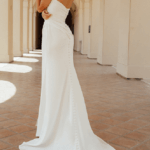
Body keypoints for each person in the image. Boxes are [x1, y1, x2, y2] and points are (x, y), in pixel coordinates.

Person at [19, 0, 116, 149]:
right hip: (62, 35)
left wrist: (43, 11)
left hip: (54, 36)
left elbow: (39, 8)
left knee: (53, 80)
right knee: (64, 79)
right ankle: (65, 121)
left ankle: (57, 125)